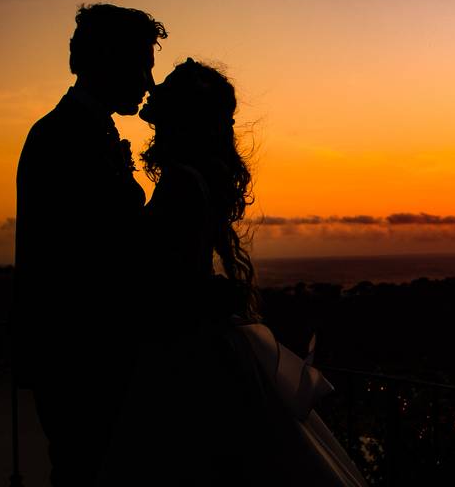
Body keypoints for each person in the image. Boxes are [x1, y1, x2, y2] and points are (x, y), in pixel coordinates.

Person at [97, 58, 367, 486]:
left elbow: (174, 279)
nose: (152, 90)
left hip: (182, 350)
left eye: (164, 87)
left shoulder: (181, 181)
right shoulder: (196, 176)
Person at [12, 3, 167, 487]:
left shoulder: (83, 131)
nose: (149, 81)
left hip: (86, 356)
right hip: (81, 360)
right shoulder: (61, 138)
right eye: (141, 64)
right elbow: (93, 257)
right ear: (105, 60)